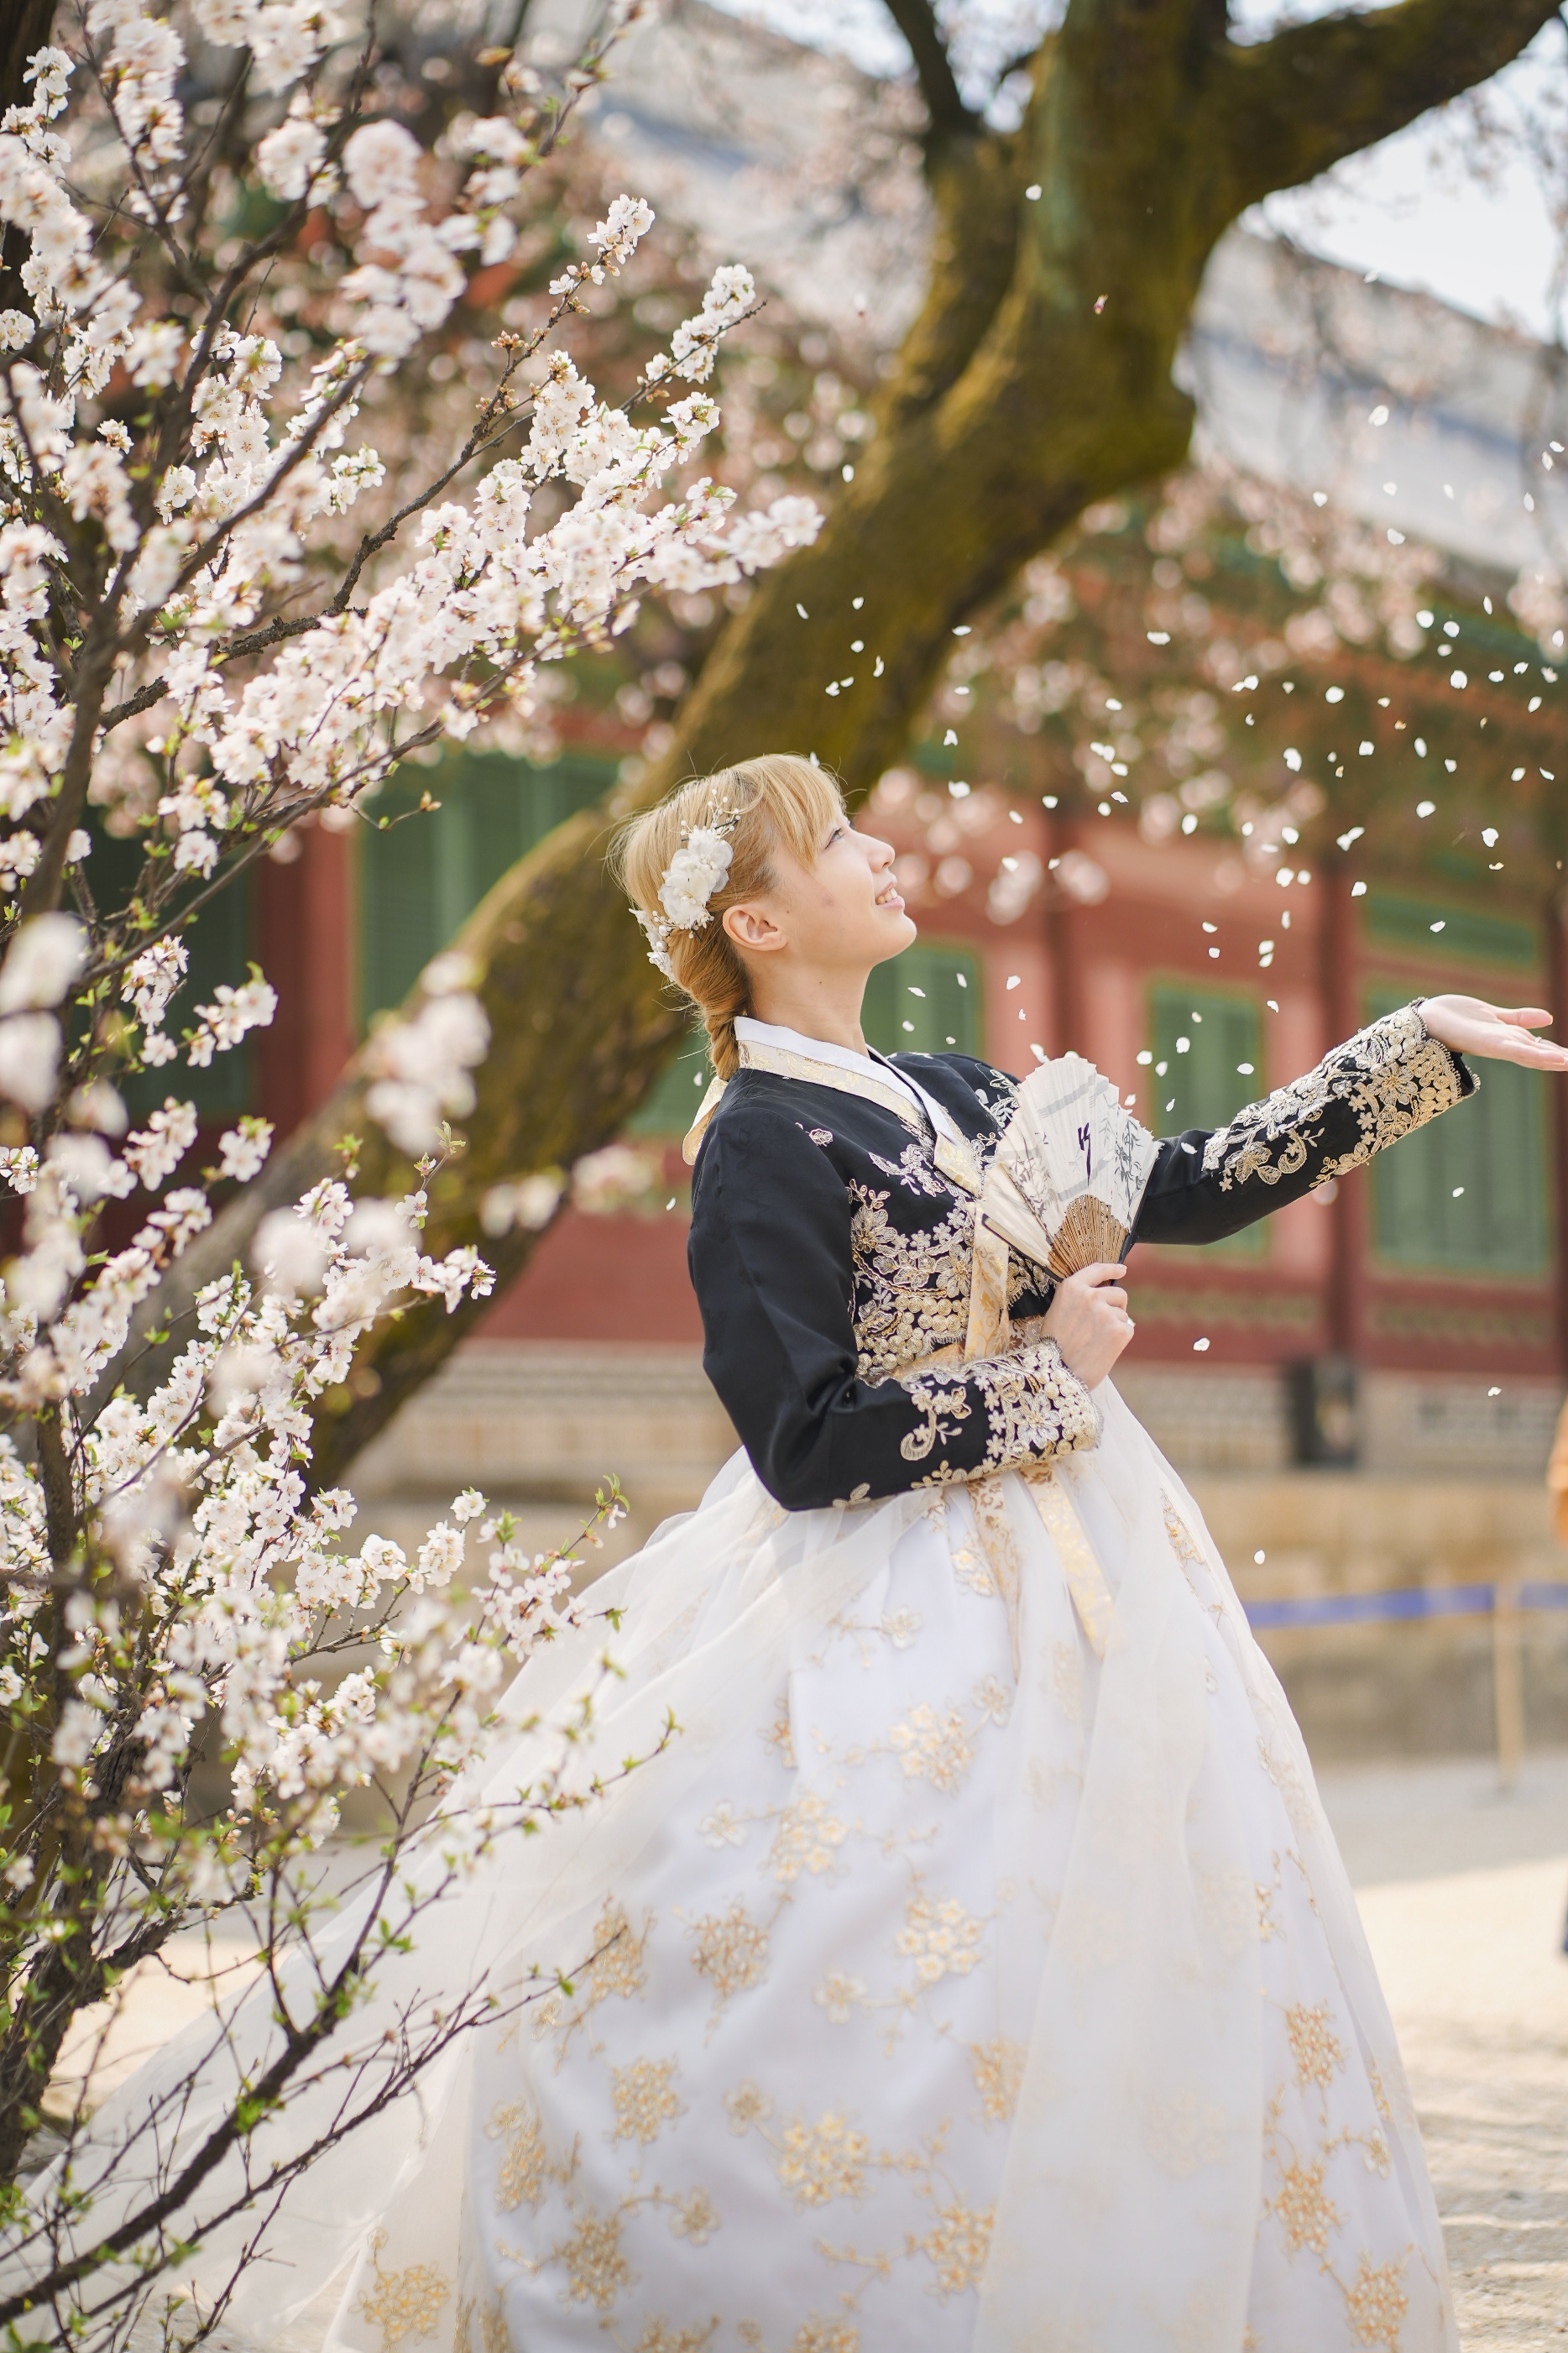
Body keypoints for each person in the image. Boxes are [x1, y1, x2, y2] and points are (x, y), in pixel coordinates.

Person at [54, 756, 1568, 2353]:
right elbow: (803, 1441)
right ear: (761, 916)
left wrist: (1403, 1055)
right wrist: (1047, 1376)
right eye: (842, 839)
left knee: (1143, 1937)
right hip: (893, 1610)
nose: (885, 850)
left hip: (1097, 1576)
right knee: (898, 1967)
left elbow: (1171, 1184)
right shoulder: (758, 1141)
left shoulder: (960, 1091)